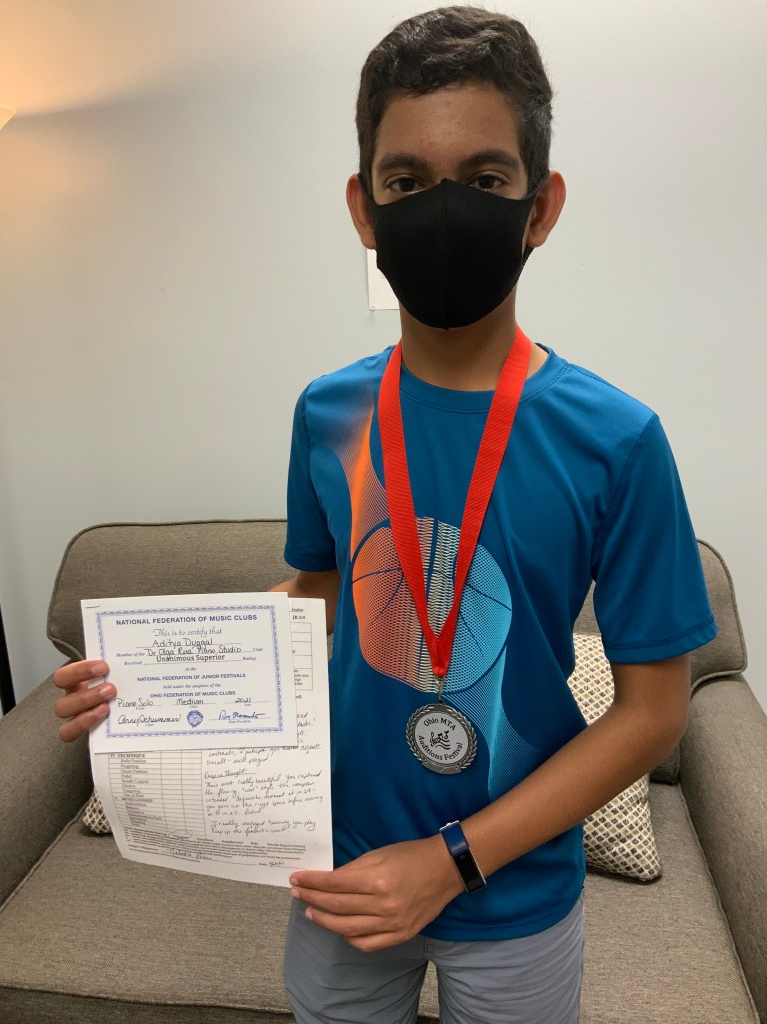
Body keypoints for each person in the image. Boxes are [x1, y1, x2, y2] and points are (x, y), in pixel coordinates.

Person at [54, 7, 717, 1023]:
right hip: (341, 866)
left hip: (517, 891)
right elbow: (318, 596)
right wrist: (149, 679)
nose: (443, 209)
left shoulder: (618, 441)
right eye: (407, 181)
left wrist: (451, 860)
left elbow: (653, 711)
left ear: (541, 207)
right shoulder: (328, 413)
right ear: (364, 210)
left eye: (485, 179)